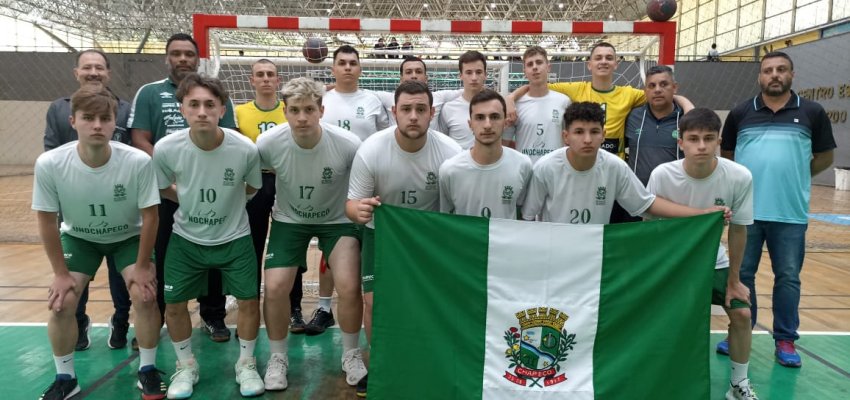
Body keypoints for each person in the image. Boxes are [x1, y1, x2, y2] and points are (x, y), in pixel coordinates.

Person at [34, 88, 166, 400]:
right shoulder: (50, 163)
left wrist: (145, 265)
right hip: (80, 238)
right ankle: (65, 377)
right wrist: (60, 273)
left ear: (113, 125)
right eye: (88, 118)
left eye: (104, 119)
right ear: (73, 121)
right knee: (62, 302)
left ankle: (147, 369)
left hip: (128, 237)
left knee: (145, 296)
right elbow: (46, 220)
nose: (97, 125)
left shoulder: (136, 161)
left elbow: (150, 217)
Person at [720, 51, 836, 368]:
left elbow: (825, 157)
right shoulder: (741, 112)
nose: (774, 75)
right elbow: (728, 156)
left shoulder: (812, 112)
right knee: (743, 275)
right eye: (768, 70)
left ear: (791, 74)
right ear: (759, 76)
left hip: (790, 213)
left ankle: (785, 339)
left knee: (788, 278)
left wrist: (796, 174)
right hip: (746, 213)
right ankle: (739, 331)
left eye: (781, 70)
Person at [346, 80, 462, 397]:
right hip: (381, 236)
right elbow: (352, 204)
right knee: (374, 301)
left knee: (434, 303)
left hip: (429, 240)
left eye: (421, 109)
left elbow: (458, 211)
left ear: (432, 113)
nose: (413, 116)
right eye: (407, 109)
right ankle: (382, 363)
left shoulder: (451, 153)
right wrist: (360, 211)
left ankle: (433, 360)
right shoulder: (371, 150)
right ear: (394, 112)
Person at [152, 74, 264, 398]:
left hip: (235, 237)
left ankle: (246, 364)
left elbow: (254, 187)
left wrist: (229, 202)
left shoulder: (244, 148)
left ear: (222, 109)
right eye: (194, 104)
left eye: (209, 105)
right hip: (186, 240)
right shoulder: (167, 149)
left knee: (248, 301)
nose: (202, 111)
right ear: (183, 109)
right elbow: (161, 186)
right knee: (173, 304)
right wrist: (187, 200)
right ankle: (186, 366)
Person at [256, 77, 367, 392]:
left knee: (347, 286)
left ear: (321, 110)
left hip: (336, 221)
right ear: (285, 112)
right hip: (290, 220)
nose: (301, 117)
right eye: (294, 110)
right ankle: (278, 358)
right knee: (275, 288)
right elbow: (253, 182)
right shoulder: (268, 144)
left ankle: (351, 353)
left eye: (308, 109)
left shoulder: (347, 144)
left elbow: (360, 188)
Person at [129, 33, 237, 343]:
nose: (182, 59)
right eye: (175, 53)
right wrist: (171, 176)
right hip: (165, 190)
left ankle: (213, 315)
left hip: (208, 190)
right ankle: (158, 317)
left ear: (198, 58)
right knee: (163, 254)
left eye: (188, 54)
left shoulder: (214, 94)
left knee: (214, 250)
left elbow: (226, 138)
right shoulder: (149, 93)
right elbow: (139, 139)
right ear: (167, 58)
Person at [647, 108, 758, 399]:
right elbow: (649, 228)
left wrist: (734, 279)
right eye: (693, 139)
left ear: (719, 141)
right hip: (673, 265)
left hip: (714, 264)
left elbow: (738, 230)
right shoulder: (662, 176)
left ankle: (739, 384)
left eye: (708, 139)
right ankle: (661, 377)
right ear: (680, 142)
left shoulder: (739, 176)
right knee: (665, 321)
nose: (701, 146)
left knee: (744, 313)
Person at [43, 49, 136, 351]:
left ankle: (121, 320)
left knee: (122, 273)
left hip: (118, 203)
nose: (93, 72)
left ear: (108, 73)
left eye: (99, 67)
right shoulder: (58, 109)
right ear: (76, 73)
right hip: (76, 203)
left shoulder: (124, 108)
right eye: (87, 68)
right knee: (73, 277)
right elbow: (51, 151)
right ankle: (79, 320)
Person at [521, 102, 730, 224]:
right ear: (565, 136)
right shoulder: (545, 168)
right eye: (578, 132)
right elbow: (528, 218)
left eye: (594, 132)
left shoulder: (615, 166)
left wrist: (702, 214)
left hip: (595, 254)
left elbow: (646, 203)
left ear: (604, 135)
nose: (587, 139)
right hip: (554, 253)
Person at [314, 45, 389, 336]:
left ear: (360, 69)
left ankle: (372, 307)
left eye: (352, 63)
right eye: (341, 63)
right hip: (332, 183)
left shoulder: (372, 100)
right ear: (333, 68)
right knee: (330, 249)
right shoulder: (323, 99)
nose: (347, 67)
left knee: (365, 248)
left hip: (367, 186)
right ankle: (323, 307)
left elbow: (383, 134)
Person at [234, 59, 308, 334]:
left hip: (287, 180)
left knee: (291, 244)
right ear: (251, 80)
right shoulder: (240, 112)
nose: (265, 79)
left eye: (271, 75)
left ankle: (295, 309)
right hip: (255, 181)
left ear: (278, 81)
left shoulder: (289, 110)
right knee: (251, 244)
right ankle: (249, 303)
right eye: (260, 75)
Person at [440, 89, 532, 219]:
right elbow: (446, 219)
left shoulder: (522, 165)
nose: (487, 125)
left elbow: (522, 214)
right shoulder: (449, 170)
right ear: (470, 124)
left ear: (505, 123)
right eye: (480, 118)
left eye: (494, 117)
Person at [501, 46, 571, 164]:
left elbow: (571, 141)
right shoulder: (514, 105)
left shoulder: (564, 101)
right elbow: (504, 145)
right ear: (524, 71)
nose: (535, 67)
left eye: (539, 62)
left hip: (555, 171)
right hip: (527, 172)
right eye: (530, 64)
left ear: (548, 67)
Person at [624, 65, 684, 186]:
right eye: (651, 86)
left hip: (673, 196)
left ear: (674, 87)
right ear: (645, 91)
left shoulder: (686, 119)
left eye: (663, 84)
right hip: (637, 195)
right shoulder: (633, 116)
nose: (657, 90)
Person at [370, 56, 463, 130]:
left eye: (418, 72)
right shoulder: (387, 99)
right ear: (401, 79)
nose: (414, 76)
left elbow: (468, 93)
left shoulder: (439, 98)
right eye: (409, 72)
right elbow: (360, 94)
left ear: (426, 79)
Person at [438, 51, 489, 149]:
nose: (474, 78)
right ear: (460, 75)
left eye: (478, 72)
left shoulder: (496, 107)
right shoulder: (448, 108)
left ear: (485, 75)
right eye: (469, 72)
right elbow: (443, 143)